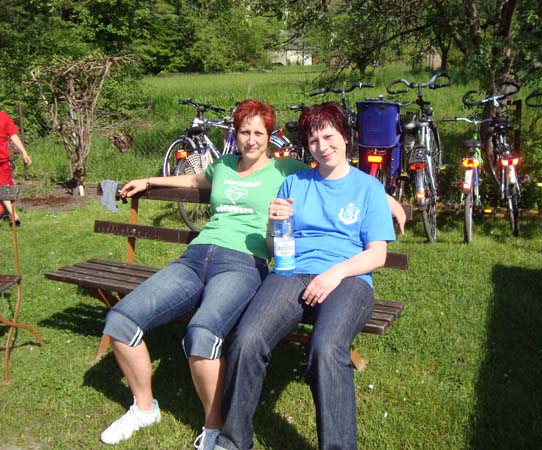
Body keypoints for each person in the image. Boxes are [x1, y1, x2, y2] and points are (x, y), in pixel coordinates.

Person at [99, 99, 308, 449]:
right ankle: (145, 408)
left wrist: (383, 197)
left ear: (270, 136)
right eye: (244, 132)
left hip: (243, 264)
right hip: (195, 257)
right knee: (119, 321)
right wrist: (148, 181)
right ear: (235, 134)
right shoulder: (222, 165)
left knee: (202, 334)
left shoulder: (285, 170)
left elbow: (332, 176)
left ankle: (213, 427)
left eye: (259, 133)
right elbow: (193, 179)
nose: (251, 140)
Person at [214, 102, 397, 450]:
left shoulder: (368, 188)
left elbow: (377, 254)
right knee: (247, 339)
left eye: (329, 137)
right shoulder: (294, 184)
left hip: (348, 278)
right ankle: (233, 440)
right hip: (291, 272)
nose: (322, 147)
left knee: (326, 349)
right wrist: (273, 226)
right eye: (313, 141)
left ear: (345, 136)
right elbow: (274, 247)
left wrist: (334, 274)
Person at [0, 110, 32, 225]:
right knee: (4, 187)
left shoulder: (3, 117)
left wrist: (24, 152)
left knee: (5, 186)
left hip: (2, 160)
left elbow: (13, 135)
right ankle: (13, 215)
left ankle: (12, 215)